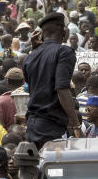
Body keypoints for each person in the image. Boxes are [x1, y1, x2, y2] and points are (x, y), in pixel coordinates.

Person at [22, 12, 80, 147]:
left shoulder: (29, 57)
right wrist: (76, 124)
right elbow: (62, 89)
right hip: (51, 128)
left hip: (31, 126)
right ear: (64, 32)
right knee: (55, 167)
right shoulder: (64, 52)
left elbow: (33, 85)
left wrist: (36, 50)